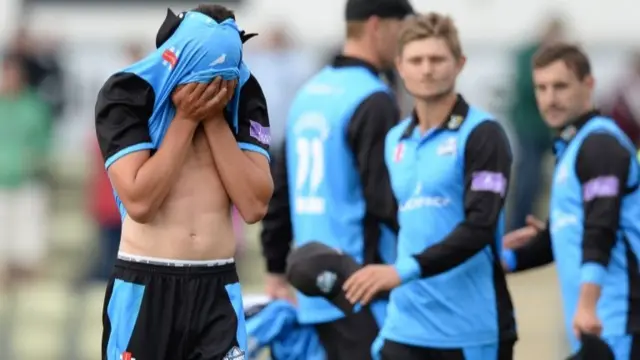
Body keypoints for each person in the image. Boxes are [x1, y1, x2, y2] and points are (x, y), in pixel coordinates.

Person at [95, 5, 272, 360]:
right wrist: (186, 119)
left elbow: (254, 205)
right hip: (146, 285)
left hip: (217, 286)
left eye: (223, 77)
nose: (215, 86)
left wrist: (213, 119)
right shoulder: (127, 94)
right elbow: (140, 202)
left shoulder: (244, 93)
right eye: (203, 76)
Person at [342, 13, 517, 360]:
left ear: (459, 64)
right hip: (404, 326)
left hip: (468, 330)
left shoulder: (483, 134)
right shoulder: (396, 140)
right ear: (400, 66)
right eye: (417, 60)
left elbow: (479, 226)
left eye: (437, 59)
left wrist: (400, 271)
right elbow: (407, 221)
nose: (426, 69)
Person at [259, 0, 413, 358]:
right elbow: (386, 200)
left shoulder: (308, 94)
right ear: (378, 26)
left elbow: (279, 191)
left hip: (311, 286)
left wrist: (275, 268)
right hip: (361, 288)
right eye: (402, 27)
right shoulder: (373, 98)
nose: (406, 40)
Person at [501, 43, 640, 359]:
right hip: (595, 327)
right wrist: (504, 260)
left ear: (588, 85)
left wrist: (588, 305)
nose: (550, 98)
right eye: (541, 88)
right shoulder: (572, 147)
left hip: (619, 324)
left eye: (560, 86)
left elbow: (601, 227)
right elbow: (561, 238)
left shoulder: (599, 144)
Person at [0, 53, 53, 286]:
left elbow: (44, 144)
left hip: (27, 185)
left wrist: (29, 164)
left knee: (28, 251)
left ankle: (27, 300)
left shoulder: (35, 108)